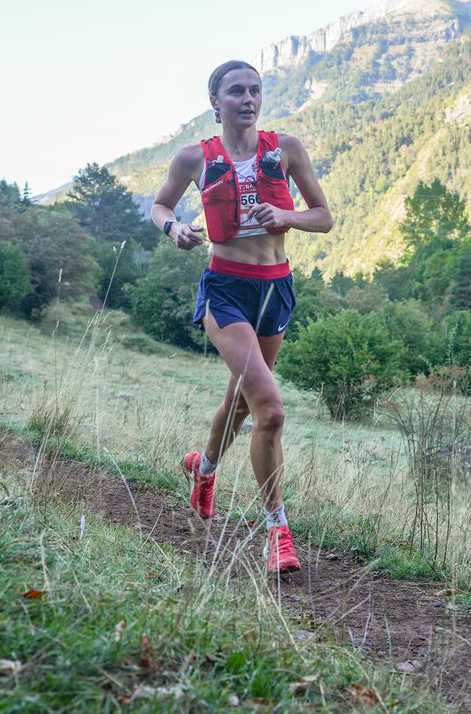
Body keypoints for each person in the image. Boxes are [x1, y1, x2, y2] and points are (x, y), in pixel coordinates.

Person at [151, 59, 333, 573]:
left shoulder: (286, 148)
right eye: (236, 91)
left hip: (275, 290)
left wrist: (286, 215)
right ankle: (278, 531)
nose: (248, 99)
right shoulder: (194, 158)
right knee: (269, 410)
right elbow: (161, 206)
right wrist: (174, 230)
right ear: (215, 102)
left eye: (255, 90)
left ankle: (204, 468)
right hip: (225, 290)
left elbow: (323, 217)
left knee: (240, 399)